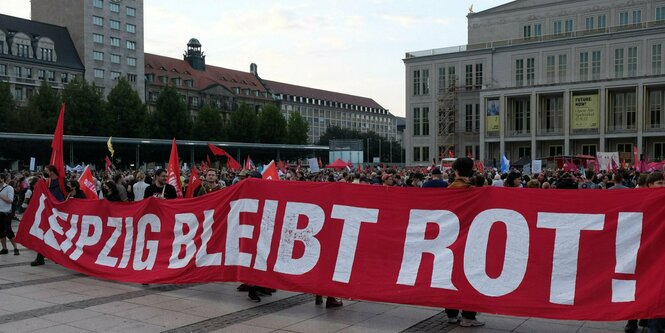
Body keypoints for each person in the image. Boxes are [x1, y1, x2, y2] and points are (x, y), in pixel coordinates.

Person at [445, 157, 485, 327]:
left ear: (456, 171)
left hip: (451, 238)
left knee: (451, 277)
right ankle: (469, 315)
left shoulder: (449, 190)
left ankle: (451, 313)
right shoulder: (476, 191)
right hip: (471, 239)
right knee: (470, 277)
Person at [32, 165, 65, 266]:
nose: (45, 172)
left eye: (46, 171)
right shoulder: (48, 182)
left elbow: (61, 196)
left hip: (57, 212)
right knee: (44, 233)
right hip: (48, 211)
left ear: (52, 172)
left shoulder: (61, 182)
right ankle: (40, 257)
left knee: (58, 235)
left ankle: (60, 257)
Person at [0, 174, 19, 256]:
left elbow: (10, 200)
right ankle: (4, 248)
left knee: (9, 231)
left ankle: (16, 248)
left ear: (2, 179)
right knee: (0, 232)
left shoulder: (9, 188)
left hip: (6, 213)